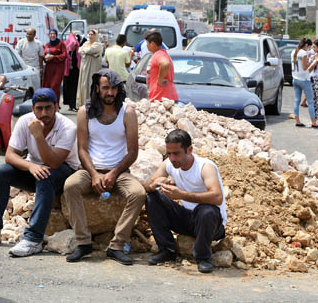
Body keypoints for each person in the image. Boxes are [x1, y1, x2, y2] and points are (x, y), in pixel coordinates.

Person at [0, 88, 79, 256]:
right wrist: (30, 166)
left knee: (46, 175)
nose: (44, 113)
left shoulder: (67, 127)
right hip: (36, 169)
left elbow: (54, 162)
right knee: (2, 172)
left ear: (56, 107)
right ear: (33, 109)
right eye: (39, 108)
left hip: (64, 172)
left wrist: (38, 136)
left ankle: (33, 239)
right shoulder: (25, 121)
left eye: (48, 108)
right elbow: (10, 155)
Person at [63, 69, 146, 266]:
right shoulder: (85, 112)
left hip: (119, 171)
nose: (110, 93)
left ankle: (116, 246)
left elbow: (132, 152)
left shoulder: (128, 113)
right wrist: (93, 174)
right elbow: (82, 149)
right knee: (70, 186)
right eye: (106, 88)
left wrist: (113, 173)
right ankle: (83, 243)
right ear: (97, 89)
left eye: (114, 88)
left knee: (138, 193)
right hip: (91, 169)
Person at [145, 129, 227, 274]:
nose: (172, 158)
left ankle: (203, 257)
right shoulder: (169, 164)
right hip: (188, 219)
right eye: (169, 153)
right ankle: (167, 250)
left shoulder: (205, 167)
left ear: (189, 150)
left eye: (176, 153)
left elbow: (217, 197)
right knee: (152, 197)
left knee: (206, 210)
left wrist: (182, 195)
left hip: (211, 224)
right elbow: (147, 184)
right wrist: (153, 185)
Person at [291, 38, 318, 127]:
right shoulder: (303, 53)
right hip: (304, 80)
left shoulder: (294, 52)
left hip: (295, 79)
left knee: (296, 100)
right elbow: (304, 67)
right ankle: (314, 122)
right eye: (309, 47)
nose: (309, 48)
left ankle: (297, 121)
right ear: (306, 45)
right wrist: (311, 60)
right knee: (310, 101)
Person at [145, 30, 178, 102]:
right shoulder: (164, 53)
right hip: (167, 96)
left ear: (153, 44)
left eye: (147, 44)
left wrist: (160, 80)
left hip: (160, 98)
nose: (146, 46)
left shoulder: (158, 55)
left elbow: (165, 63)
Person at [76, 29, 102, 108]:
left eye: (92, 35)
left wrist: (85, 52)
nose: (90, 36)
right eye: (89, 34)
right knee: (83, 85)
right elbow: (79, 50)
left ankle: (92, 104)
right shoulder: (86, 43)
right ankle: (84, 104)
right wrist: (86, 52)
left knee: (91, 84)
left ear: (95, 36)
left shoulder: (97, 44)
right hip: (84, 68)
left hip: (92, 69)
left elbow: (90, 50)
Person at [42, 29, 67, 103]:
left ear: (56, 35)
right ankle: (49, 104)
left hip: (58, 68)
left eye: (54, 34)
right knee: (47, 86)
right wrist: (45, 58)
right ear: (49, 35)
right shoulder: (47, 44)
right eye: (51, 34)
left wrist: (54, 57)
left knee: (55, 86)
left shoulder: (61, 44)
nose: (52, 35)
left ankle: (55, 104)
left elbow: (64, 55)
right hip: (49, 68)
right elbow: (44, 54)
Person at [63, 32, 81, 112]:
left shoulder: (78, 52)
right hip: (67, 72)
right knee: (67, 88)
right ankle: (70, 104)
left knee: (74, 88)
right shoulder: (67, 52)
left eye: (75, 45)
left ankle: (73, 105)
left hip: (75, 72)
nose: (73, 46)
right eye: (72, 44)